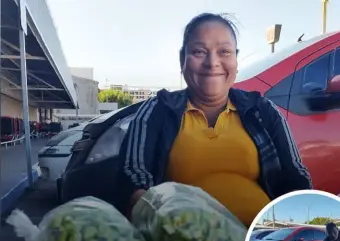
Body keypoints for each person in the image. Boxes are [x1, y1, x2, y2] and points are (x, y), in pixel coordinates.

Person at [118, 13, 312, 226]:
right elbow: (134, 179)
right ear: (182, 59)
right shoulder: (157, 111)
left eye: (224, 52)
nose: (212, 63)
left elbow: (295, 175)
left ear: (236, 60)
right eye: (199, 52)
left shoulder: (263, 111)